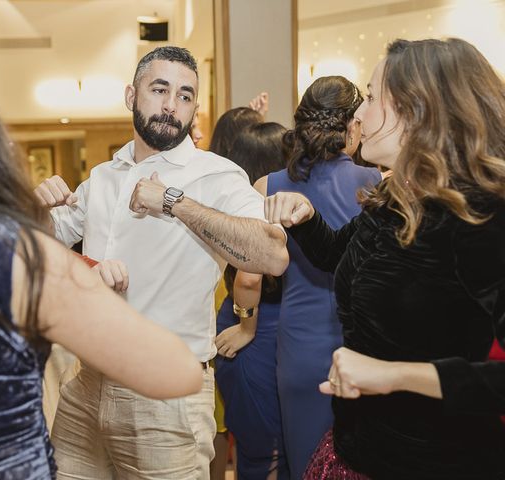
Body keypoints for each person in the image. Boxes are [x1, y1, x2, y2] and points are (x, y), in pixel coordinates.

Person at [0, 22, 204, 480]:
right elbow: (177, 372)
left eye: (184, 94)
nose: (171, 103)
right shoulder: (11, 255)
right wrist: (83, 279)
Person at [37, 46, 289, 480]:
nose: (172, 105)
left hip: (164, 396)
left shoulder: (216, 175)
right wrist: (35, 206)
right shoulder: (102, 177)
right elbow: (38, 245)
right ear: (131, 96)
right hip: (86, 384)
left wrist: (174, 202)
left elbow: (273, 254)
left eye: (186, 95)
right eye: (159, 89)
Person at [265, 38, 505, 480]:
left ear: (418, 111)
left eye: (372, 98)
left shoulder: (482, 217)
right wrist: (306, 216)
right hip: (360, 445)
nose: (357, 115)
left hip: (439, 461)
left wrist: (393, 375)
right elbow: (336, 256)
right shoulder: (393, 197)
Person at [258, 76, 382, 479]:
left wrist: (245, 323)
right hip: (359, 345)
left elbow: (250, 272)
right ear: (351, 126)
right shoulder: (378, 187)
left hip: (296, 342)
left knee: (301, 461)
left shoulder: (270, 187)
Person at [214, 122, 290, 479]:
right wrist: (247, 326)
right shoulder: (272, 199)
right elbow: (250, 273)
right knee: (272, 452)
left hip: (243, 318)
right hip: (257, 326)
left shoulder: (239, 196)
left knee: (254, 450)